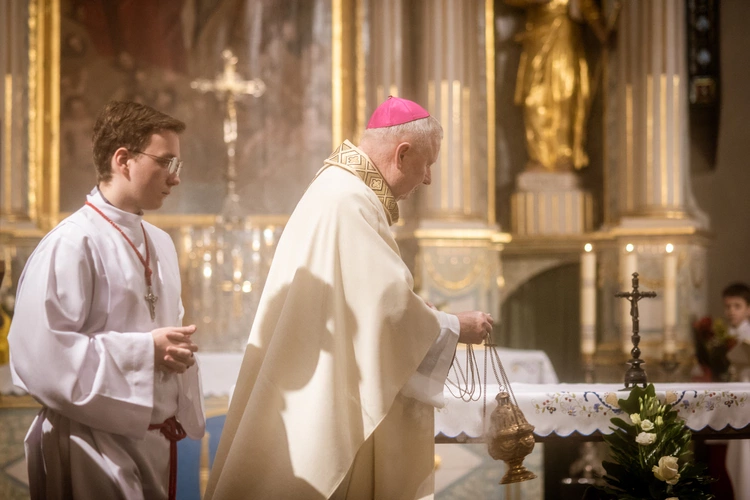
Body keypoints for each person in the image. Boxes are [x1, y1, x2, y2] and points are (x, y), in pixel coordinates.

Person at [204, 96, 493, 500]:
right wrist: (453, 326)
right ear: (402, 153)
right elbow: (387, 312)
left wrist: (415, 311)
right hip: (318, 405)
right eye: (427, 164)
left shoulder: (339, 191)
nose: (427, 179)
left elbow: (368, 303)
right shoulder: (349, 201)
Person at [8, 101, 205, 500]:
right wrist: (146, 351)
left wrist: (173, 354)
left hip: (149, 442)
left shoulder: (161, 244)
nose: (175, 178)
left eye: (177, 166)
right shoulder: (71, 243)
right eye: (166, 162)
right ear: (123, 160)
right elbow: (42, 358)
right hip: (90, 445)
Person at [506, 0, 612, 171]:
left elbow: (587, 5)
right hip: (537, 37)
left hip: (564, 37)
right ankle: (538, 156)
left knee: (565, 94)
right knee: (533, 98)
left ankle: (564, 154)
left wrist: (599, 28)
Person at [721, 283, 750, 498]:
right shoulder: (723, 335)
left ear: (748, 309)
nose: (731, 311)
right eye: (728, 306)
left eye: (737, 306)